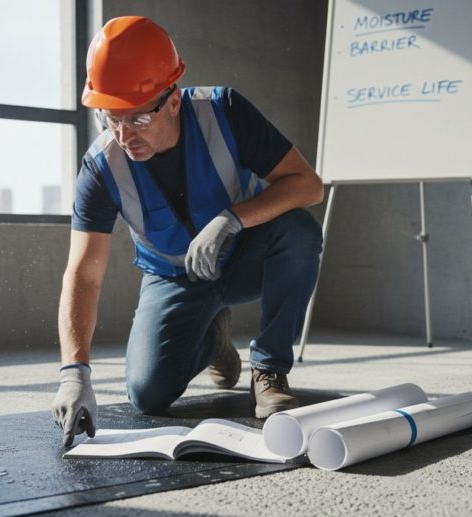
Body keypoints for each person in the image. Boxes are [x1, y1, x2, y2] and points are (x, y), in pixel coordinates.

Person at [51, 16, 324, 446]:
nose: (123, 135)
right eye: (111, 119)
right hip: (174, 277)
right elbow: (83, 273)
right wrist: (74, 372)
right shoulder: (100, 168)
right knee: (147, 395)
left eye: (138, 119)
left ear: (172, 101)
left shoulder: (224, 113)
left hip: (244, 254)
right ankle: (212, 337)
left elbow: (308, 185)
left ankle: (269, 369)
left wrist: (233, 218)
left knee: (300, 232)